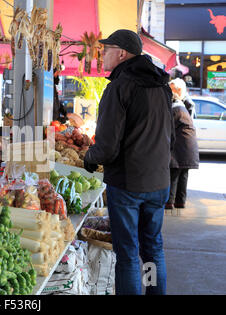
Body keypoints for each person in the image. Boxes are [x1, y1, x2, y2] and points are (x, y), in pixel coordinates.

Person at [83, 29, 174, 295]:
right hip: (159, 182)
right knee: (153, 248)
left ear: (121, 53)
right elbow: (171, 137)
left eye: (106, 49)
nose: (102, 55)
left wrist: (90, 158)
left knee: (128, 253)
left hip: (128, 185)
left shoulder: (120, 86)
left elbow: (107, 147)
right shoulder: (162, 86)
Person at [167, 78, 199, 209]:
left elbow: (168, 127)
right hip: (188, 146)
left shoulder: (177, 108)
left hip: (181, 145)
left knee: (174, 171)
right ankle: (180, 201)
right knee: (183, 172)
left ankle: (169, 202)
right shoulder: (181, 106)